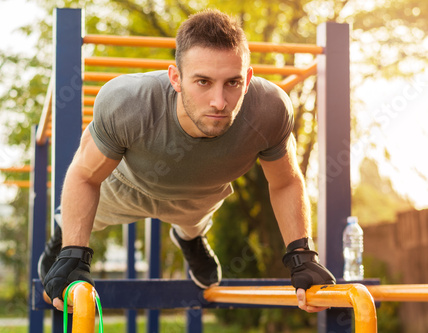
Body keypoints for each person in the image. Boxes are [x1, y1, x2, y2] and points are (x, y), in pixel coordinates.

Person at [40, 9, 336, 313]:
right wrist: (74, 254)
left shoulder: (270, 109)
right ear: (176, 78)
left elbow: (285, 181)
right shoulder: (127, 103)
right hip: (125, 188)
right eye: (203, 82)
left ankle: (190, 238)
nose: (219, 102)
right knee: (82, 219)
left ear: (248, 78)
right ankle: (63, 236)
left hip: (198, 198)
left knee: (193, 219)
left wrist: (302, 255)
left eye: (232, 83)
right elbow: (85, 176)